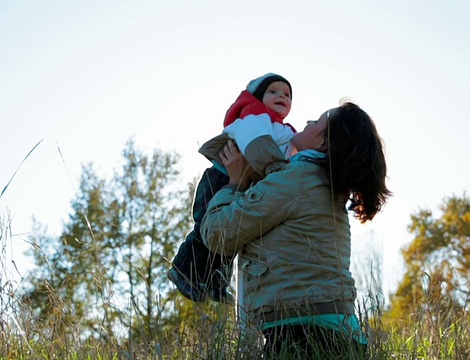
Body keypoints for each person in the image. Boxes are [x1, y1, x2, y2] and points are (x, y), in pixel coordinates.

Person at [200, 101, 391, 358]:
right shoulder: (324, 183)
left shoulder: (297, 177)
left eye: (317, 122)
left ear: (323, 144)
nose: (308, 122)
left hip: (303, 335)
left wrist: (234, 182)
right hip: (335, 332)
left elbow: (218, 234)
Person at [168, 73, 297, 304]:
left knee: (232, 236)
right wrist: (277, 171)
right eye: (273, 92)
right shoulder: (254, 114)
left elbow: (292, 149)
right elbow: (257, 141)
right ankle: (184, 271)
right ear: (258, 96)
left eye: (287, 95)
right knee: (206, 232)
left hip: (239, 182)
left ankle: (215, 283)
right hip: (221, 178)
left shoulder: (281, 127)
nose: (282, 96)